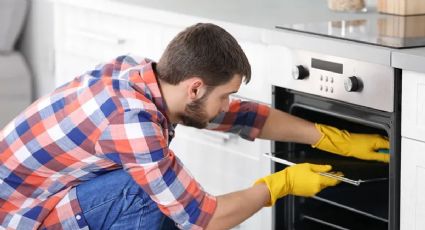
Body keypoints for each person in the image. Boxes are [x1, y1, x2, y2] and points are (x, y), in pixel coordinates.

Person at [0, 23, 389, 230]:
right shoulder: (134, 123)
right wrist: (278, 186)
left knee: (161, 194)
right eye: (225, 94)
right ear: (196, 87)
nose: (228, 104)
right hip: (22, 219)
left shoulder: (143, 76)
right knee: (141, 193)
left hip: (39, 199)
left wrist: (329, 137)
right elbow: (204, 218)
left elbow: (240, 115)